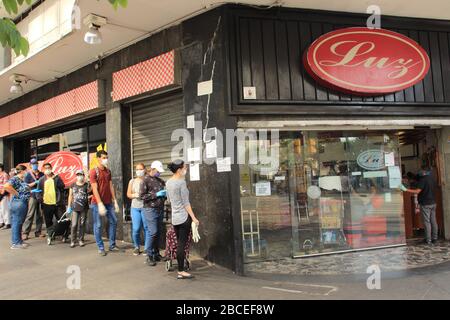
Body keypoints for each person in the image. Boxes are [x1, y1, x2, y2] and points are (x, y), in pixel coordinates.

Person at [166, 159, 199, 279]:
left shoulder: (168, 182)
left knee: (180, 244)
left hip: (175, 218)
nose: (186, 169)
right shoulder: (181, 183)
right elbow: (186, 203)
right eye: (185, 167)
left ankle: (181, 269)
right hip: (184, 218)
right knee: (181, 245)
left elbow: (169, 200)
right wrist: (194, 218)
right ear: (179, 170)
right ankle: (181, 271)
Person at [90, 150, 120, 256]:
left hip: (108, 202)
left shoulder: (108, 171)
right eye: (103, 157)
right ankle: (101, 247)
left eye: (106, 157)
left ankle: (112, 245)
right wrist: (99, 203)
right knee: (98, 225)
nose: (105, 159)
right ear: (98, 158)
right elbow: (94, 188)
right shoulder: (94, 171)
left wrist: (115, 200)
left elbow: (111, 186)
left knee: (114, 221)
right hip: (96, 203)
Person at [401, 165, 438, 245]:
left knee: (426, 222)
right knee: (433, 221)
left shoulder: (423, 180)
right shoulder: (432, 178)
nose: (419, 171)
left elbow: (417, 191)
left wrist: (406, 189)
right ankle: (434, 238)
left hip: (425, 203)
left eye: (421, 170)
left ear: (424, 171)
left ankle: (428, 240)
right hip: (433, 202)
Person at [140, 160, 166, 266]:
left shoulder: (160, 181)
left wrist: (164, 194)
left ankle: (156, 253)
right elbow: (142, 196)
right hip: (150, 209)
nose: (159, 173)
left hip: (159, 208)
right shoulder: (145, 180)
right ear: (153, 169)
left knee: (158, 232)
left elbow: (164, 192)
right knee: (153, 232)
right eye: (158, 171)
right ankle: (149, 255)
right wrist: (156, 195)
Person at [36, 163, 65, 245]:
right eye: (46, 168)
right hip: (47, 204)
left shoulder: (57, 177)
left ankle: (63, 234)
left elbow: (62, 187)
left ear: (51, 168)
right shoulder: (42, 179)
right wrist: (41, 200)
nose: (47, 169)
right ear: (43, 169)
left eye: (49, 168)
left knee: (61, 219)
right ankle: (50, 235)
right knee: (48, 221)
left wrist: (56, 179)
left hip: (57, 203)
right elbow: (38, 191)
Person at [3, 165, 31, 249]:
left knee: (19, 222)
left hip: (22, 202)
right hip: (18, 203)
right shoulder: (15, 178)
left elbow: (23, 188)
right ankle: (15, 243)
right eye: (26, 171)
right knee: (17, 222)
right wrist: (17, 194)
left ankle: (19, 240)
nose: (27, 172)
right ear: (22, 171)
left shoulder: (21, 179)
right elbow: (6, 186)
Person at [127, 163, 148, 256]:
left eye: (141, 169)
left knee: (146, 228)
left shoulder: (148, 180)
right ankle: (136, 247)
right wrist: (134, 195)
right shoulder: (132, 181)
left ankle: (147, 248)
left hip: (145, 207)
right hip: (135, 207)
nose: (139, 171)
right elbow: (128, 194)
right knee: (136, 229)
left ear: (145, 170)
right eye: (137, 169)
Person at [22, 158, 45, 239]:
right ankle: (25, 232)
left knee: (40, 215)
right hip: (32, 196)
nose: (35, 165)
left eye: (36, 164)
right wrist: (35, 182)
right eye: (33, 164)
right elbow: (26, 186)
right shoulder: (28, 175)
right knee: (30, 214)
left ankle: (38, 232)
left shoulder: (42, 174)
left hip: (41, 196)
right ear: (30, 165)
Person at [67, 170, 90, 248]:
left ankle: (81, 240)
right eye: (78, 175)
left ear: (83, 176)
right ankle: (72, 240)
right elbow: (70, 195)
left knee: (82, 224)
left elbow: (90, 192)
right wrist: (69, 206)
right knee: (74, 224)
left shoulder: (86, 185)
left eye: (81, 175)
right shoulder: (72, 185)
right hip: (74, 208)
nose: (79, 176)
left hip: (84, 208)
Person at [0, 164, 10, 230]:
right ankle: (1, 222)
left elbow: (5, 185)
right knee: (0, 209)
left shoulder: (5, 175)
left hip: (3, 194)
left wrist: (2, 193)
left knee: (4, 208)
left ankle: (7, 223)